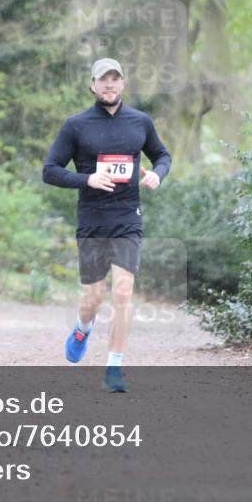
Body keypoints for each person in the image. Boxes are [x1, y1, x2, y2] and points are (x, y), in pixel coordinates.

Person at [43, 57, 172, 392]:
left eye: (115, 79)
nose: (109, 85)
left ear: (123, 83)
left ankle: (114, 367)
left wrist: (157, 175)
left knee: (123, 291)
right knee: (94, 297)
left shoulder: (140, 122)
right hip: (93, 220)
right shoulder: (76, 125)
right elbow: (51, 170)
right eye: (103, 80)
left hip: (128, 217)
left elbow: (162, 155)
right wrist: (87, 179)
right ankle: (83, 327)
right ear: (92, 85)